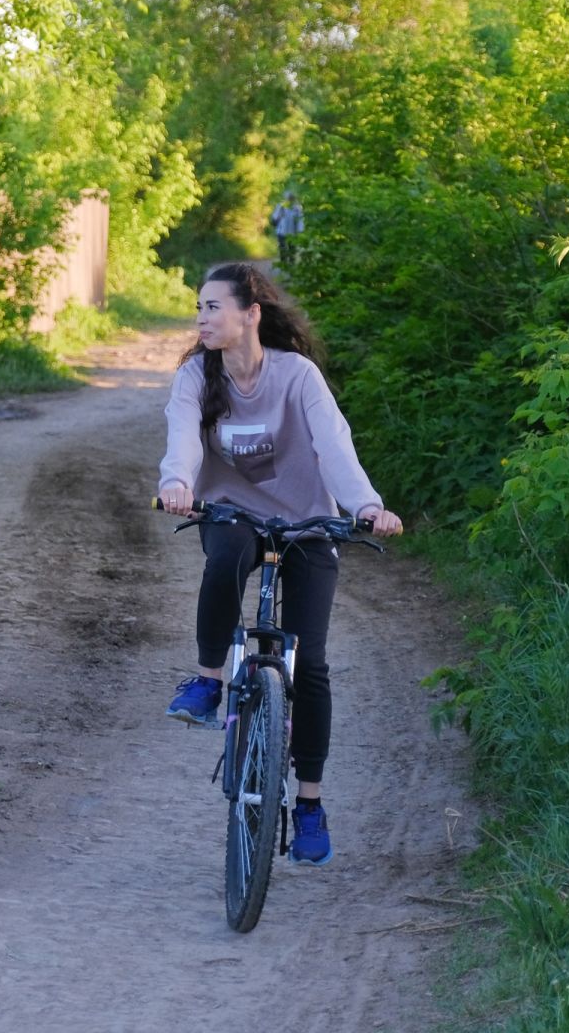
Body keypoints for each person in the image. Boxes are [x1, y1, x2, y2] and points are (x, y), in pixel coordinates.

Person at [156, 262, 401, 865]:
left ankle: (310, 805)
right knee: (229, 554)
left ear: (251, 314)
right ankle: (210, 681)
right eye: (199, 308)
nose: (202, 318)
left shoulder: (298, 377)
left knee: (311, 662)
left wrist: (366, 505)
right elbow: (182, 439)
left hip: (308, 521)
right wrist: (177, 483)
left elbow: (333, 443)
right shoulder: (196, 376)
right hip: (232, 513)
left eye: (214, 307)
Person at [270, 192, 304, 266]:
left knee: (292, 247)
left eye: (291, 198)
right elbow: (275, 217)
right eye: (289, 198)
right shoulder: (281, 206)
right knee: (282, 247)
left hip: (292, 232)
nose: (290, 199)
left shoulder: (298, 207)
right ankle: (283, 263)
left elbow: (300, 221)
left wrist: (299, 231)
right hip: (281, 231)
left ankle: (292, 263)